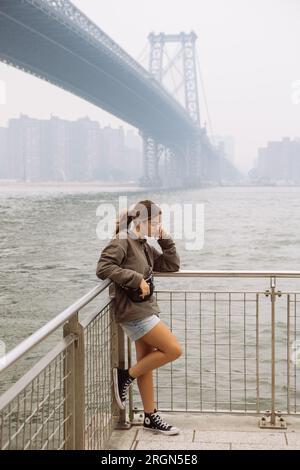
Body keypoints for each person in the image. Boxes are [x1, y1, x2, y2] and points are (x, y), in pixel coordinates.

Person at [96, 200, 182, 435]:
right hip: (134, 312)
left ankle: (150, 417)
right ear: (142, 222)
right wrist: (135, 279)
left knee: (147, 362)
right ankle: (125, 377)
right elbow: (103, 267)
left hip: (144, 308)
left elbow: (171, 265)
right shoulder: (123, 240)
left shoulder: (143, 244)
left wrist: (165, 239)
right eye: (156, 223)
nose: (159, 226)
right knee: (173, 349)